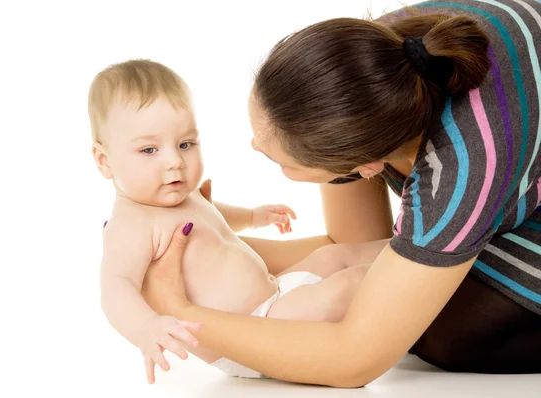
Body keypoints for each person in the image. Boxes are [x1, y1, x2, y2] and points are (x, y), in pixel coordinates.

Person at [141, 0, 541, 387]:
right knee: (369, 277)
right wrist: (201, 244)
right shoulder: (375, 58)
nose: (253, 146)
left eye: (284, 163)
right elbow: (351, 242)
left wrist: (177, 311)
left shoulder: (462, 168)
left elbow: (354, 361)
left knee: (443, 330)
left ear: (367, 167)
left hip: (503, 148)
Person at [88, 59, 389, 384]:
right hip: (251, 334)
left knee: (338, 255)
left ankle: (407, 248)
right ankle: (415, 293)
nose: (174, 161)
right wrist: (145, 328)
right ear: (105, 161)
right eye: (149, 150)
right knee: (351, 283)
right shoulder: (130, 225)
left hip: (276, 297)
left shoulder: (183, 198)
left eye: (185, 144)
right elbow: (115, 287)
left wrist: (253, 216)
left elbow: (215, 217)